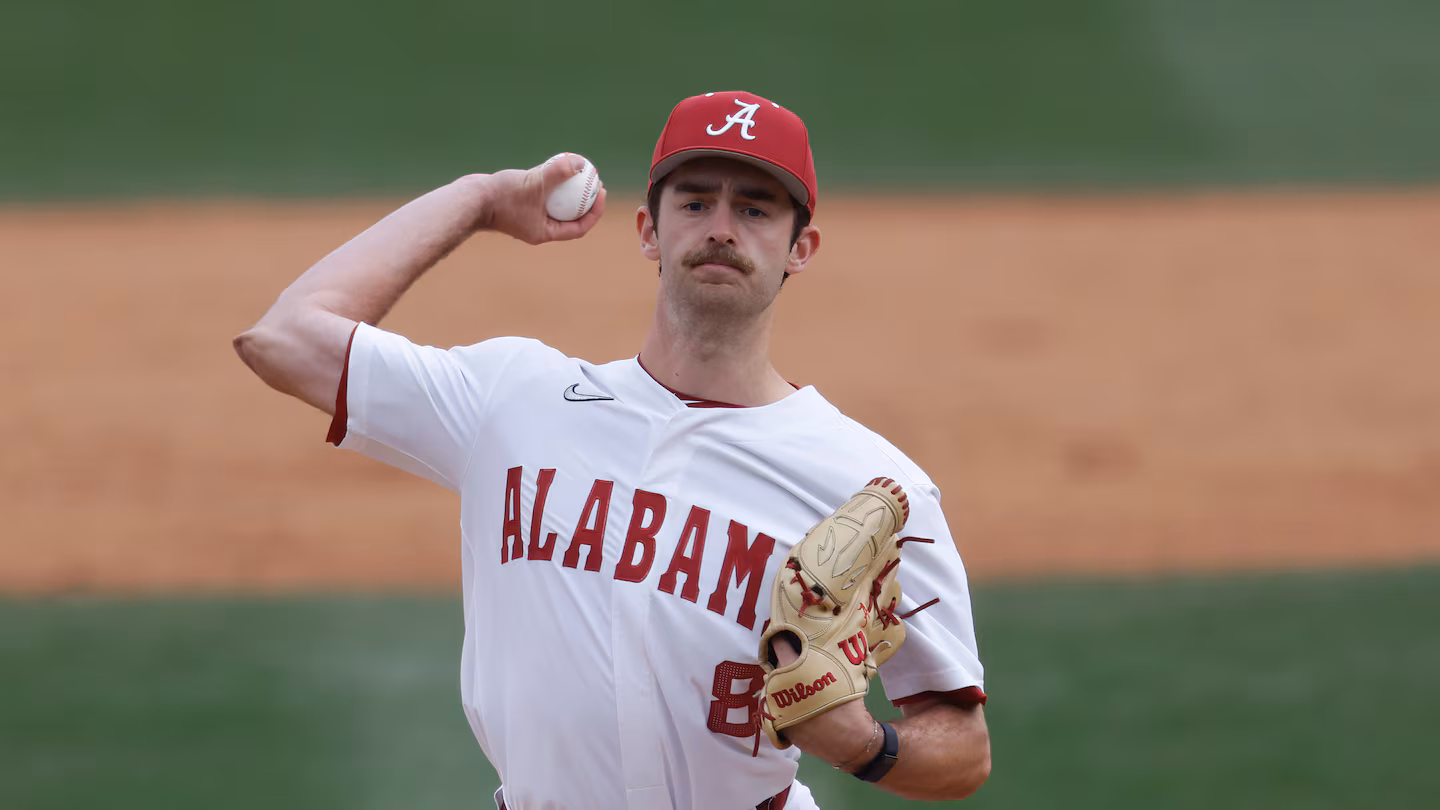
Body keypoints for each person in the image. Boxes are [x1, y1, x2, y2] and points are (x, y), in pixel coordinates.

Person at [234, 90, 990, 809]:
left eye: (755, 209)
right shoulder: (513, 398)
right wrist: (480, 200)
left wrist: (866, 745)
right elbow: (284, 338)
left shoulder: (871, 486)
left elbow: (963, 746)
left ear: (802, 248)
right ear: (648, 232)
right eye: (695, 202)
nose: (721, 227)